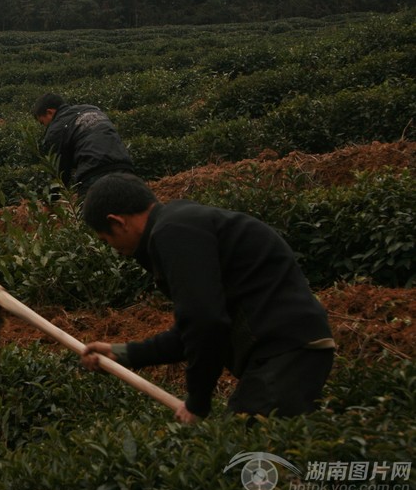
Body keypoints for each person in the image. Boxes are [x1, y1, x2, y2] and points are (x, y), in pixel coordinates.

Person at [79, 173, 335, 423]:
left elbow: (205, 322)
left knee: (246, 451)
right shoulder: (181, 224)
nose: (117, 251)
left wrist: (198, 402)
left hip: (283, 350)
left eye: (107, 239)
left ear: (118, 222)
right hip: (291, 348)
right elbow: (191, 331)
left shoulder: (173, 231)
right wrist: (122, 354)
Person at [32, 93, 135, 196]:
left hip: (94, 174)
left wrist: (49, 202)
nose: (45, 126)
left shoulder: (56, 128)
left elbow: (59, 173)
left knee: (95, 210)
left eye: (42, 122)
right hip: (125, 167)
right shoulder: (92, 109)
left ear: (49, 112)